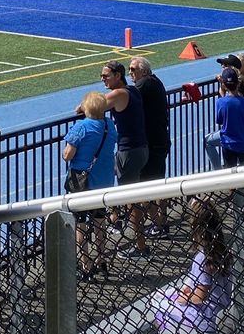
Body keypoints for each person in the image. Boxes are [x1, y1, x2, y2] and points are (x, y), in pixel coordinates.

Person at [76, 61, 148, 256]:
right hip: (140, 148)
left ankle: (140, 246)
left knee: (131, 199)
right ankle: (116, 220)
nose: (103, 79)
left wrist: (83, 106)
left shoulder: (119, 94)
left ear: (118, 76)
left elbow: (90, 108)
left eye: (106, 76)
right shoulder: (132, 90)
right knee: (131, 195)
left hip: (129, 151)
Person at [153, 199, 231, 334]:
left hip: (207, 317)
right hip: (223, 309)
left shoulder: (202, 257)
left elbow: (200, 296)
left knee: (157, 302)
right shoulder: (224, 249)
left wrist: (185, 298)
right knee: (171, 295)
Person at [62, 91, 116, 278]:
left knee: (80, 222)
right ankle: (102, 258)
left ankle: (85, 262)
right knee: (100, 220)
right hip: (103, 180)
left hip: (82, 181)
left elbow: (67, 155)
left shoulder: (81, 127)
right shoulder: (109, 125)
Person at [129, 55, 171, 236]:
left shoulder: (145, 83)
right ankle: (161, 222)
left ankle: (158, 224)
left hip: (153, 144)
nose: (130, 73)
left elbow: (128, 96)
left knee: (149, 185)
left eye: (133, 69)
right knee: (157, 184)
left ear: (144, 71)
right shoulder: (154, 82)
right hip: (158, 141)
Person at [213, 67, 244, 167]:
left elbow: (219, 120)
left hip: (228, 144)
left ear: (224, 85)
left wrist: (222, 94)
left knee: (230, 172)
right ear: (238, 83)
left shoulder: (220, 102)